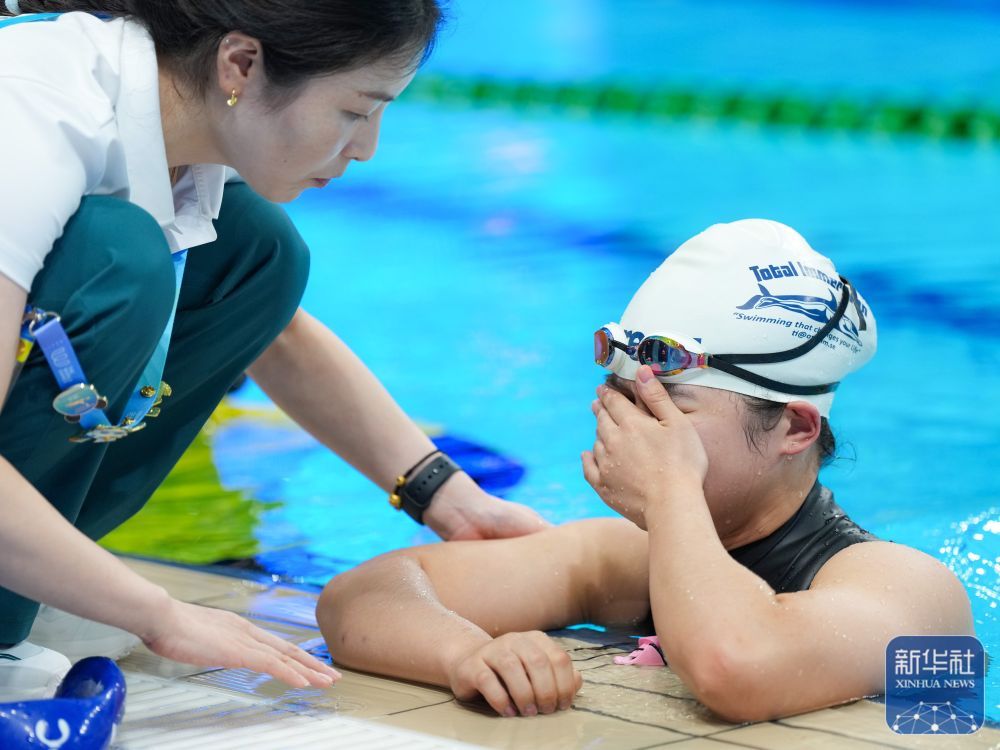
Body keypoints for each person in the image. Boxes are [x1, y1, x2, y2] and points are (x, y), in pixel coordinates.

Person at [0, 0, 547, 701]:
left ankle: (32, 584)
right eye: (355, 111)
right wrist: (159, 616)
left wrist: (450, 498)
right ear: (240, 64)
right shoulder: (32, 115)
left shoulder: (175, 117)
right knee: (121, 258)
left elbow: (277, 334)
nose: (367, 147)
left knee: (258, 251)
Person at [318, 219, 974, 722]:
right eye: (622, 396)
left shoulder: (910, 588)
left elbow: (737, 667)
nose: (627, 427)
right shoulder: (630, 558)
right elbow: (362, 596)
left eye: (668, 407)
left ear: (796, 429)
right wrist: (464, 653)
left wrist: (669, 492)